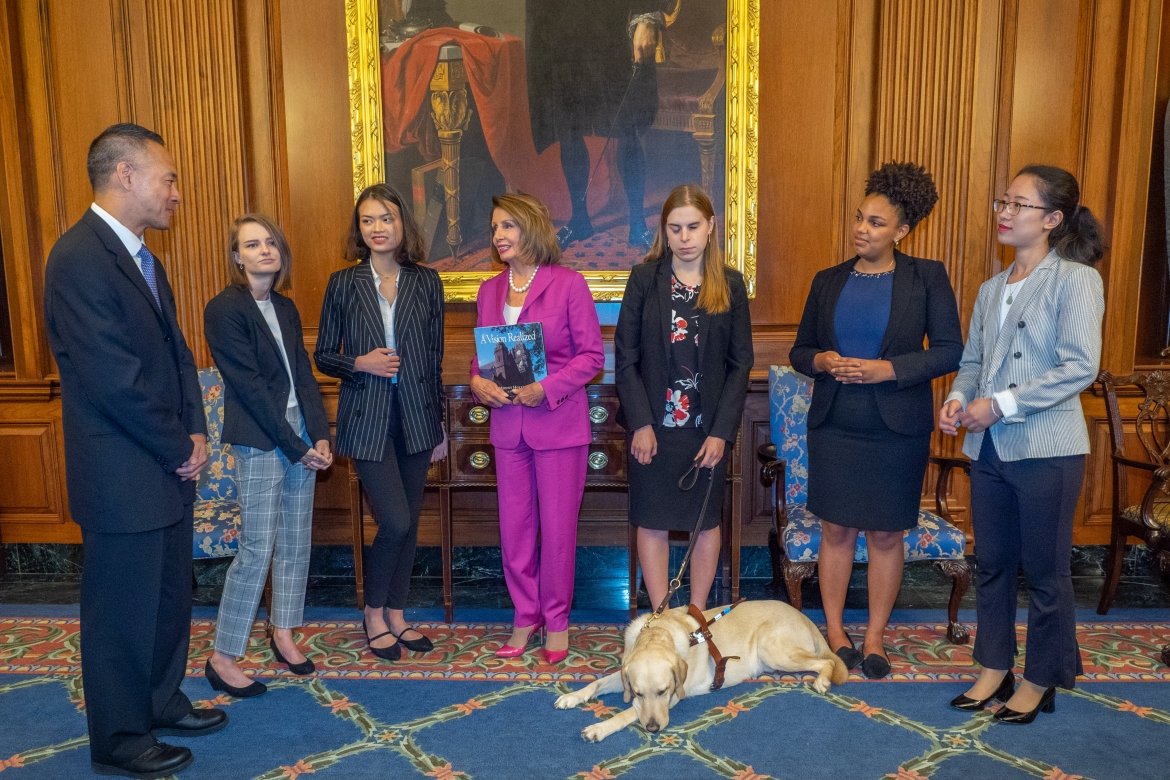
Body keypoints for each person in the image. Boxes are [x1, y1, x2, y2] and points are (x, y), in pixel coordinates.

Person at [43, 123, 224, 778]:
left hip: (166, 463)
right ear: (125, 174)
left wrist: (197, 432)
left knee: (170, 595)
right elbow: (113, 377)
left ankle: (159, 698)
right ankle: (120, 737)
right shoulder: (79, 259)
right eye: (168, 177)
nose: (176, 191)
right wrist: (179, 444)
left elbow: (176, 357)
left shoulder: (145, 257)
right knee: (122, 611)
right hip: (124, 471)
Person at [939, 165, 1104, 722]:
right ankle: (993, 667)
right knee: (992, 562)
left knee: (1047, 570)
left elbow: (1080, 366)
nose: (1005, 213)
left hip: (1047, 449)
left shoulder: (1076, 280)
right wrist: (960, 400)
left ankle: (1040, 679)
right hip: (988, 452)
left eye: (1019, 204)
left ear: (1053, 220)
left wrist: (1000, 404)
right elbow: (972, 363)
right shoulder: (991, 288)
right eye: (1002, 201)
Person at [790, 162, 963, 680]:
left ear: (902, 231)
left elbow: (951, 350)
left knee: (887, 535)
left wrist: (889, 369)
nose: (862, 229)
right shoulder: (827, 281)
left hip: (897, 428)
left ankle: (875, 637)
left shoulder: (927, 278)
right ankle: (836, 631)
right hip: (835, 423)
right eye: (860, 218)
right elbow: (801, 351)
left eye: (876, 223)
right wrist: (823, 361)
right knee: (836, 529)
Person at [315, 184, 448, 662]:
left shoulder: (426, 281)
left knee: (410, 523)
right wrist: (360, 363)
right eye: (368, 220)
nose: (377, 228)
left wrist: (439, 426)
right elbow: (323, 354)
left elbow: (433, 359)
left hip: (416, 419)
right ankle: (373, 612)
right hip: (366, 419)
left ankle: (397, 612)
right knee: (393, 519)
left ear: (401, 225)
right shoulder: (342, 283)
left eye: (385, 218)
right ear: (360, 228)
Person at [470, 193, 604, 663]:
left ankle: (558, 622)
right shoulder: (488, 292)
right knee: (516, 529)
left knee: (559, 529)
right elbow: (482, 356)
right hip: (508, 429)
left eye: (507, 226)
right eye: (494, 229)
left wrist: (544, 389)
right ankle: (525, 617)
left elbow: (591, 357)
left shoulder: (568, 285)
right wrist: (477, 382)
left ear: (530, 228)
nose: (498, 236)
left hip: (558, 426)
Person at [203, 215, 333, 697]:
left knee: (296, 540)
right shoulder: (224, 309)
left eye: (270, 242)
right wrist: (298, 448)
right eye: (252, 245)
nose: (264, 251)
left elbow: (303, 374)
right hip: (260, 438)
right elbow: (252, 390)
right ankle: (223, 655)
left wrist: (318, 436)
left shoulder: (286, 306)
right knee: (258, 547)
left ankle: (283, 632)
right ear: (237, 257)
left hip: (298, 433)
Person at [614, 183, 753, 613]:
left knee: (706, 524)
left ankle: (696, 614)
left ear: (710, 227)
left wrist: (721, 434)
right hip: (653, 430)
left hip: (704, 432)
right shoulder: (644, 279)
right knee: (652, 522)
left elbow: (740, 364)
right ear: (665, 231)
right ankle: (658, 615)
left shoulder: (729, 283)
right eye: (675, 228)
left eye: (693, 226)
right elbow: (625, 356)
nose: (685, 237)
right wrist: (640, 422)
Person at [526, 3, 665, 249]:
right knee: (568, 129)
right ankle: (579, 219)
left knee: (627, 127)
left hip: (611, 28)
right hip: (559, 31)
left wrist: (646, 18)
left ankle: (637, 223)